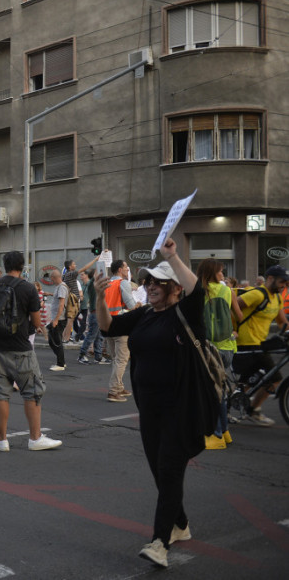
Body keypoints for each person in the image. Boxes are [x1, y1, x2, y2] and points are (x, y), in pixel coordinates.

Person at [96, 238, 210, 568]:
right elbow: (108, 327)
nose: (150, 286)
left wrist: (171, 257)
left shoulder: (186, 314)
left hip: (181, 408)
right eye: (147, 281)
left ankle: (160, 542)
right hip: (149, 409)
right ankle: (181, 524)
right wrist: (99, 298)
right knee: (161, 471)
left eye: (158, 281)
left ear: (175, 287)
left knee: (169, 470)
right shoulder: (145, 313)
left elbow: (197, 291)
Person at [0, 251, 60, 453]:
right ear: (22, 266)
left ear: (5, 265)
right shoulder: (27, 288)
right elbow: (36, 322)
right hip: (21, 348)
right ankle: (35, 438)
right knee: (32, 391)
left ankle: (1, 440)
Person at [232, 265, 288, 425]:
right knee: (274, 377)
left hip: (260, 344)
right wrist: (232, 329)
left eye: (286, 283)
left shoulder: (277, 298)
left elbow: (283, 322)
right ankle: (252, 410)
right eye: (282, 281)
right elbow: (232, 307)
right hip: (246, 343)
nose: (284, 285)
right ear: (270, 278)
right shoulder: (257, 294)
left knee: (249, 380)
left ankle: (228, 404)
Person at [196, 259, 242, 448]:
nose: (223, 275)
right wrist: (231, 328)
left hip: (210, 348)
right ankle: (224, 432)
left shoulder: (199, 292)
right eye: (220, 272)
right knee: (219, 390)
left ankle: (216, 435)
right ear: (212, 273)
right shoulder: (228, 291)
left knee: (211, 393)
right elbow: (239, 315)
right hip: (228, 347)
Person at [104, 259, 137, 403]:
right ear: (119, 269)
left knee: (115, 358)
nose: (127, 269)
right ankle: (113, 391)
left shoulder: (106, 284)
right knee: (121, 359)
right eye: (126, 267)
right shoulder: (122, 283)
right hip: (120, 323)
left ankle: (119, 386)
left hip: (107, 323)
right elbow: (130, 304)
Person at [78, 271, 110, 365]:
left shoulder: (94, 285)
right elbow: (93, 280)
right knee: (91, 335)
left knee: (98, 336)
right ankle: (82, 355)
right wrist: (95, 275)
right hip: (95, 313)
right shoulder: (92, 284)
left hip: (98, 313)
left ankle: (98, 357)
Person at [46, 269, 68, 371]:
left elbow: (61, 305)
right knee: (52, 340)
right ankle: (61, 361)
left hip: (60, 319)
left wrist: (56, 319)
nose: (51, 281)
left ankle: (60, 364)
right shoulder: (59, 287)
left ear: (54, 277)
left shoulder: (62, 287)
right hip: (57, 318)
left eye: (51, 279)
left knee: (56, 341)